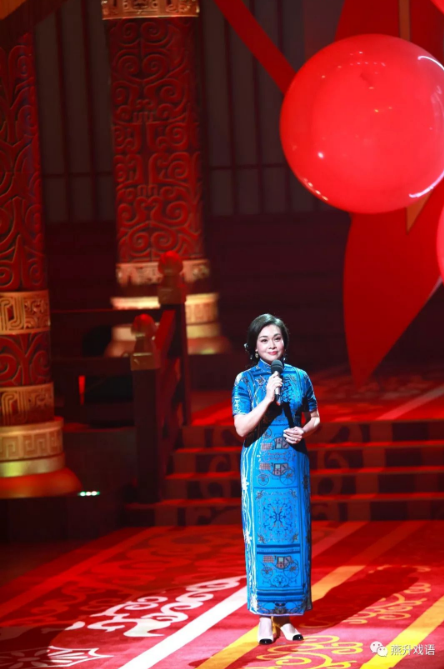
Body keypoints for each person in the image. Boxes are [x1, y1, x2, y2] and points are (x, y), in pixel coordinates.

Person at [232, 314, 320, 644]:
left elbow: (315, 417)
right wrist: (268, 398)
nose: (272, 345)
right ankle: (264, 618)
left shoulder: (299, 376)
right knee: (262, 541)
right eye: (264, 340)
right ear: (254, 346)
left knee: (295, 540)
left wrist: (304, 430)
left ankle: (285, 617)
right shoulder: (244, 380)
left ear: (285, 342)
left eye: (277, 338)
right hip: (259, 468)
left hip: (293, 464)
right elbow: (241, 427)